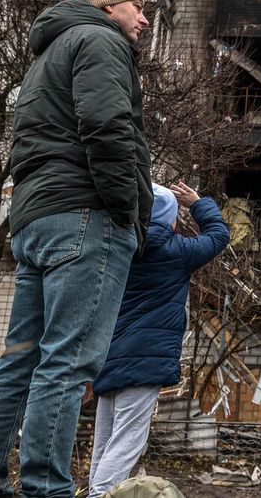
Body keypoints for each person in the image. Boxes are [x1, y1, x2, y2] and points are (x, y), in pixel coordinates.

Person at [0, 0, 154, 497]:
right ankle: (46, 491)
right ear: (110, 7)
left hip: (38, 221)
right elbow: (109, 128)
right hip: (87, 218)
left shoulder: (46, 56)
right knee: (66, 364)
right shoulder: (99, 41)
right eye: (136, 7)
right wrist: (125, 209)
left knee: (18, 362)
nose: (142, 18)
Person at [87, 181, 231, 497]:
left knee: (107, 435)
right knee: (128, 438)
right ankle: (101, 494)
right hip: (146, 359)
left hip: (108, 356)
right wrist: (197, 203)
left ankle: (96, 491)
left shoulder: (116, 248)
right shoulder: (176, 251)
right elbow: (219, 236)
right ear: (171, 219)